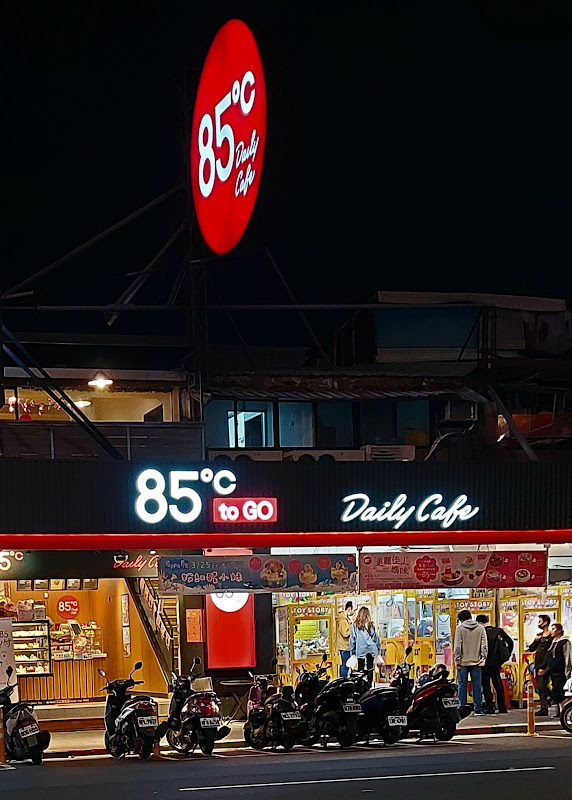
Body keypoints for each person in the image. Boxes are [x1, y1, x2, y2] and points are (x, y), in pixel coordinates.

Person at [476, 614, 513, 714]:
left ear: (479, 623)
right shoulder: (498, 631)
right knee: (498, 684)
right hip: (496, 662)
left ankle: (490, 706)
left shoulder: (480, 632)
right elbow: (510, 642)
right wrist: (506, 655)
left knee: (486, 685)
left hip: (484, 662)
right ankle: (502, 707)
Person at [454, 609, 488, 715]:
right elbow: (484, 645)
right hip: (476, 662)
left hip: (463, 662)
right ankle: (478, 709)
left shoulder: (460, 629)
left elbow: (457, 647)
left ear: (461, 620)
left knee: (462, 685)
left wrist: (457, 660)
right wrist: (483, 657)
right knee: (477, 686)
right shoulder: (480, 628)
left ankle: (461, 709)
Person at [545, 623, 572, 718]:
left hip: (561, 671)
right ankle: (560, 711)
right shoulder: (553, 642)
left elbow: (568, 658)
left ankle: (563, 711)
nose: (551, 631)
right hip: (553, 671)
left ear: (559, 630)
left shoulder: (564, 642)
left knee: (559, 691)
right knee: (555, 691)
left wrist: (567, 672)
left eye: (553, 629)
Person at [528, 614, 553, 716]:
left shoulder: (550, 636)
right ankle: (546, 703)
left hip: (545, 665)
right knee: (539, 687)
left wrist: (544, 667)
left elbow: (549, 653)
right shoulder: (540, 635)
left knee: (542, 686)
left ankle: (546, 706)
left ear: (545, 622)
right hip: (538, 664)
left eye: (540, 621)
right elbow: (531, 648)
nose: (539, 623)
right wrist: (536, 640)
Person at [349, 606, 380, 687]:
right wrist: (378, 649)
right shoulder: (370, 625)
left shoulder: (355, 625)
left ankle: (361, 685)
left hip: (360, 650)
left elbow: (352, 639)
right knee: (370, 668)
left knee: (360, 668)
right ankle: (369, 685)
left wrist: (352, 651)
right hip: (371, 649)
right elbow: (375, 638)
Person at [336, 601, 354, 678]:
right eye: (353, 610)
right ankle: (343, 681)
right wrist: (352, 627)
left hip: (346, 646)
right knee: (345, 665)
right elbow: (345, 633)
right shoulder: (342, 620)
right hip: (344, 647)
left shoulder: (345, 619)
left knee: (345, 665)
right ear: (349, 609)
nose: (354, 612)